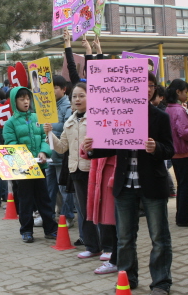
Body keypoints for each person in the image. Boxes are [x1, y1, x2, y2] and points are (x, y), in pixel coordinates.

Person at [82, 72, 175, 294]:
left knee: (159, 237)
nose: (147, 88)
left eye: (151, 85)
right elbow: (108, 146)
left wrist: (157, 148)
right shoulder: (118, 112)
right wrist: (91, 147)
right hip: (124, 186)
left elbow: (170, 149)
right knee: (124, 238)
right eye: (141, 84)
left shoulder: (160, 117)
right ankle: (127, 278)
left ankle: (161, 282)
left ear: (154, 89)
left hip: (152, 184)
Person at [44, 82, 114, 268]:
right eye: (74, 96)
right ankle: (92, 246)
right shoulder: (69, 121)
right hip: (76, 171)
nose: (77, 99)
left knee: (100, 209)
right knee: (84, 210)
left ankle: (109, 248)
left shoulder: (98, 119)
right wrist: (50, 134)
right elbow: (61, 148)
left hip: (95, 170)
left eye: (81, 95)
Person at [3, 86, 58, 243]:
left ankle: (50, 229)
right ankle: (26, 230)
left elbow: (44, 138)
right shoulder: (10, 124)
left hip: (40, 167)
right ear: (15, 102)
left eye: (27, 98)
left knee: (44, 199)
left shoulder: (37, 118)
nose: (26, 101)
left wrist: (44, 152)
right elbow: (11, 145)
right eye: (22, 99)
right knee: (25, 201)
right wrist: (27, 160)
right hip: (23, 170)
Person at [42, 75, 75, 228]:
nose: (52, 91)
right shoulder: (47, 106)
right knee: (50, 189)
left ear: (63, 89)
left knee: (64, 189)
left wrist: (51, 130)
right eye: (50, 88)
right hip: (50, 154)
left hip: (62, 155)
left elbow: (67, 129)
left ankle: (67, 216)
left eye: (55, 88)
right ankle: (49, 216)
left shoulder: (68, 107)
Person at [165, 79, 188, 227]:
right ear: (178, 92)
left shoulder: (167, 109)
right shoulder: (179, 110)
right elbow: (183, 131)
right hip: (185, 152)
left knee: (182, 185)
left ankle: (183, 216)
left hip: (174, 152)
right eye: (186, 92)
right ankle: (185, 217)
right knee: (187, 186)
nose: (187, 95)